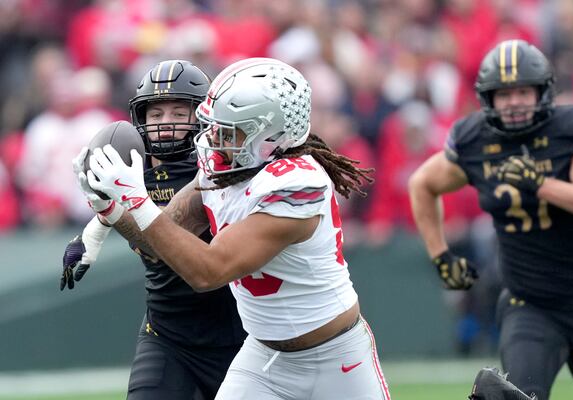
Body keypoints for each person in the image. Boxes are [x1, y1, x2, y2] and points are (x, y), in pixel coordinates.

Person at [77, 57, 390, 400]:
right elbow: (159, 241)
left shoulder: (298, 184)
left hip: (336, 360)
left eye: (227, 128)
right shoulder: (221, 169)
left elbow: (210, 270)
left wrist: (137, 202)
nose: (212, 137)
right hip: (263, 360)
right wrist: (111, 208)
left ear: (269, 133)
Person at [408, 39, 573, 400]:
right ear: (488, 98)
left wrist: (541, 185)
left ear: (542, 92)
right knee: (513, 396)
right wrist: (440, 254)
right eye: (503, 93)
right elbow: (422, 184)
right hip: (531, 303)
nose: (513, 102)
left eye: (523, 92)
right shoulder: (475, 138)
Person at [61, 59, 246, 400]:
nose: (165, 125)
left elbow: (160, 241)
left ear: (202, 117)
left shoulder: (219, 168)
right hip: (168, 333)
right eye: (156, 115)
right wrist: (98, 222)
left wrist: (112, 211)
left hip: (239, 337)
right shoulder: (131, 163)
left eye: (178, 114)